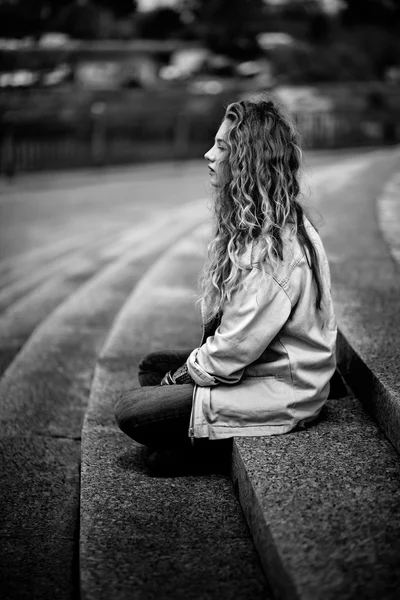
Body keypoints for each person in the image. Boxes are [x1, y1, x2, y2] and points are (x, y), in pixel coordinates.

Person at [114, 98, 337, 469]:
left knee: (131, 410)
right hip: (260, 367)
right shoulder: (265, 222)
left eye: (221, 147)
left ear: (246, 160)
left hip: (283, 389)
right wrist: (174, 377)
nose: (208, 155)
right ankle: (188, 440)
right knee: (150, 366)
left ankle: (205, 446)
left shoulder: (274, 253)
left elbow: (229, 354)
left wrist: (174, 381)